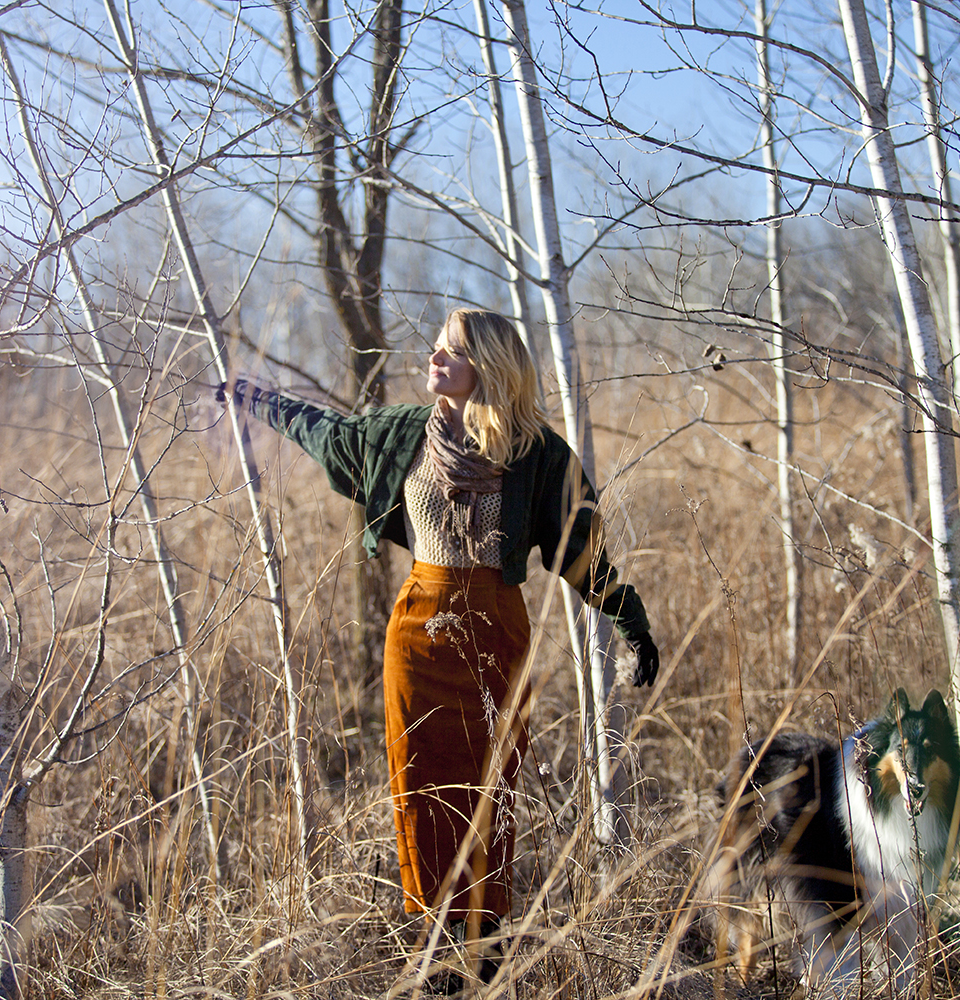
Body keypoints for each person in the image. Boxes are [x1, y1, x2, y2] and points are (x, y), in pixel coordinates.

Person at [219, 308, 658, 986]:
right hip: (418, 635)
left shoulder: (538, 454)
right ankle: (434, 947)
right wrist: (258, 399)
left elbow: (581, 551)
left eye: (451, 350)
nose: (433, 357)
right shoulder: (399, 435)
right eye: (437, 347)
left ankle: (486, 945)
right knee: (421, 787)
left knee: (491, 786)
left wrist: (630, 619)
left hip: (496, 634)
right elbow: (325, 434)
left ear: (490, 364)